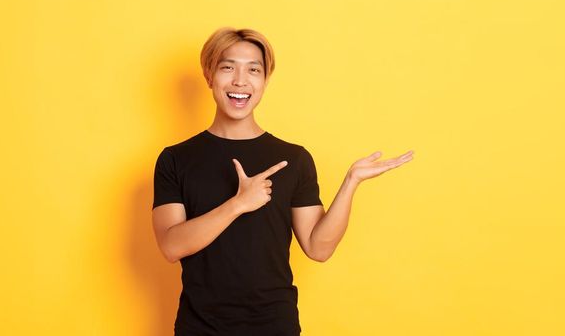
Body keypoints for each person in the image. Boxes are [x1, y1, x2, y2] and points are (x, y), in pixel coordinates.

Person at [151, 27, 414, 335]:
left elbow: (318, 248)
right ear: (209, 75)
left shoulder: (294, 159)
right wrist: (238, 204)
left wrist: (351, 182)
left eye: (253, 70)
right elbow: (171, 246)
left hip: (275, 326)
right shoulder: (175, 159)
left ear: (264, 81)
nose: (240, 80)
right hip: (200, 327)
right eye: (227, 67)